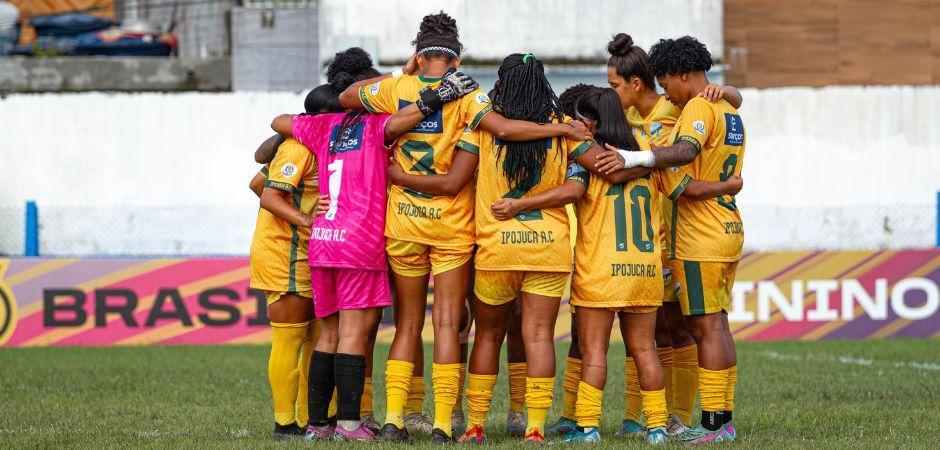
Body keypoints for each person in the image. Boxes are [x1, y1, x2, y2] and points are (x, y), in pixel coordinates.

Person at [337, 11, 591, 444]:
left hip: (403, 223)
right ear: (457, 57)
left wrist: (405, 71)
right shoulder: (471, 99)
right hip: (457, 229)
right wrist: (561, 128)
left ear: (420, 52)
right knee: (451, 321)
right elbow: (504, 134)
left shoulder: (395, 89)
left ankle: (397, 417)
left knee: (408, 325)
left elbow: (346, 97)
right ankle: (444, 423)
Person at [268, 59, 480, 441]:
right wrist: (436, 95)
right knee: (355, 332)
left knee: (328, 335)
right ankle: (349, 424)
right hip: (359, 241)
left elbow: (279, 122)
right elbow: (406, 117)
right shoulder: (376, 126)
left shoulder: (321, 127)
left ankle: (318, 424)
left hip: (323, 241)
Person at [603, 35, 747, 445]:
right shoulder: (722, 105)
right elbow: (734, 102)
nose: (666, 90)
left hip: (699, 235)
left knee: (704, 329)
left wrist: (641, 158)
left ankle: (714, 425)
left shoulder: (698, 105)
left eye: (667, 81)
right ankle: (721, 420)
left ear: (684, 75)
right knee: (716, 325)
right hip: (725, 227)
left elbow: (684, 153)